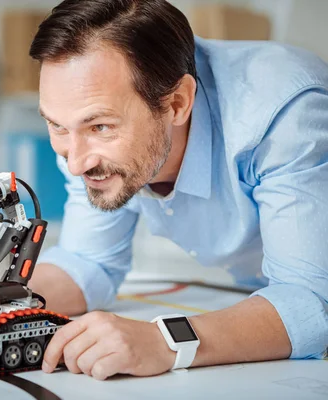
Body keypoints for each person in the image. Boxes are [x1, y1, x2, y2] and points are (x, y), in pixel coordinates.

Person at [26, 0, 328, 381]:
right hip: (258, 301)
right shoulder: (85, 133)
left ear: (178, 103)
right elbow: (90, 263)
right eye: (56, 126)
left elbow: (311, 303)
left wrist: (164, 341)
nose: (75, 163)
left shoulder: (282, 111)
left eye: (100, 127)